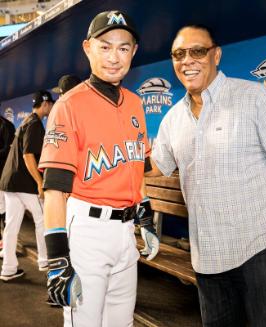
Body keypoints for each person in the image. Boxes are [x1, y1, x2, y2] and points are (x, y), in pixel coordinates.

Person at [147, 25, 266, 327]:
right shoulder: (173, 118)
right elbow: (155, 169)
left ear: (216, 55)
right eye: (178, 54)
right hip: (207, 258)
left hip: (260, 251)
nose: (187, 60)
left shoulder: (253, 98)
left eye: (197, 51)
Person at [38, 10, 159, 327]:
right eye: (105, 46)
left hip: (125, 232)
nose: (114, 57)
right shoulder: (69, 105)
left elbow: (135, 170)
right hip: (87, 232)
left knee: (123, 323)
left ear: (133, 52)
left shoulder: (135, 103)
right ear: (88, 48)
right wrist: (57, 260)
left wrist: (144, 216)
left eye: (123, 48)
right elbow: (54, 191)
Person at [0, 90, 54, 281]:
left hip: (10, 181)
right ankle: (44, 259)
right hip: (23, 183)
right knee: (43, 220)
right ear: (45, 104)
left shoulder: (26, 121)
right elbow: (28, 155)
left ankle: (8, 269)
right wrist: (40, 183)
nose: (52, 107)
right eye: (51, 104)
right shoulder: (35, 124)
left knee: (11, 226)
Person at [0, 111, 15, 250]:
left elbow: (9, 150)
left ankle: (6, 244)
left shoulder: (7, 126)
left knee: (6, 211)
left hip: (4, 175)